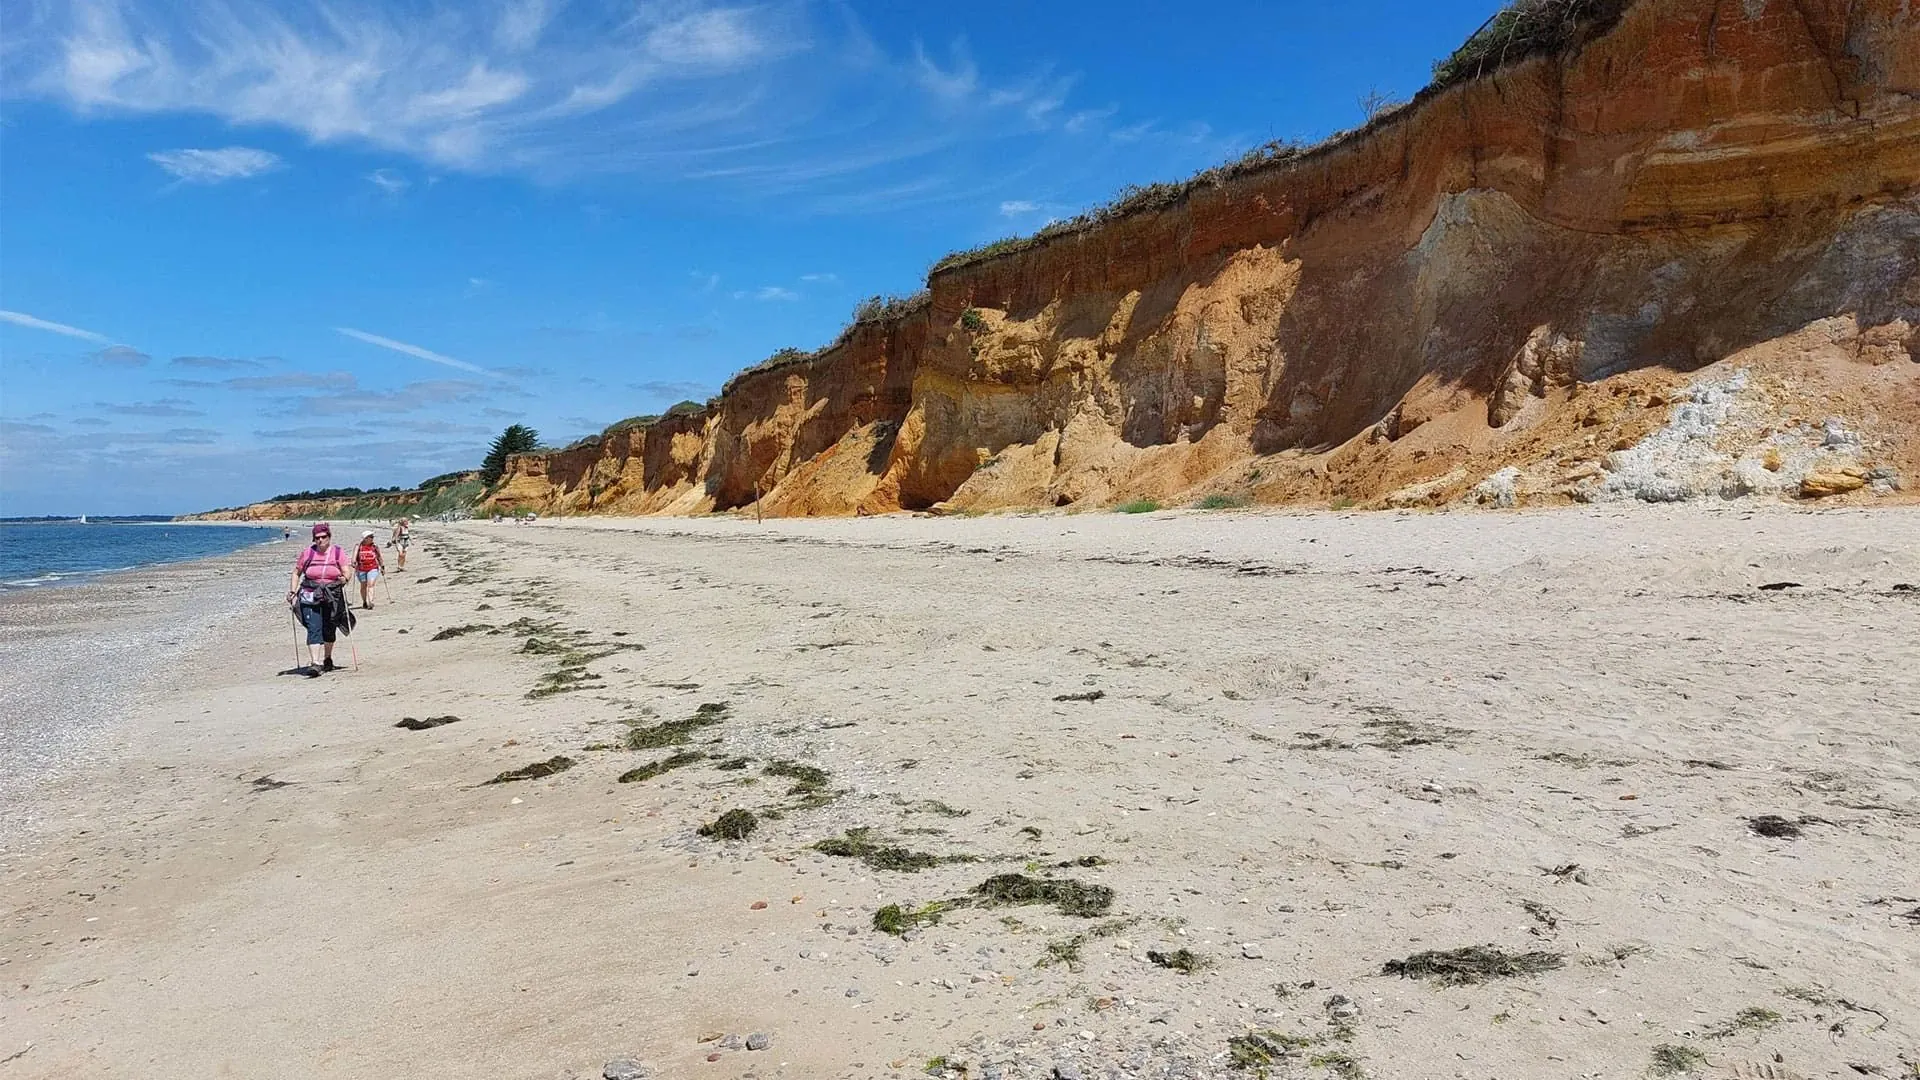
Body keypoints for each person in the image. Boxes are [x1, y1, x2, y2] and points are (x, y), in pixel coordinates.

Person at [286, 523, 352, 677]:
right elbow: (296, 573)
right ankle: (315, 663)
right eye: (317, 538)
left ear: (329, 537)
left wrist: (344, 578)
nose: (320, 540)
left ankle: (327, 658)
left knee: (329, 627)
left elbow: (346, 571)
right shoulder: (307, 553)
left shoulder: (338, 552)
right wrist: (292, 591)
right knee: (313, 627)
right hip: (310, 594)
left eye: (323, 537)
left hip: (332, 594)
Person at [353, 529, 386, 610]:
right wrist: (353, 562)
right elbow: (354, 557)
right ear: (365, 538)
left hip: (373, 568)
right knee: (363, 586)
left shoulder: (374, 546)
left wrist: (382, 566)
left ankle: (370, 601)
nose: (372, 538)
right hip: (361, 569)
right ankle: (364, 601)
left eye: (372, 537)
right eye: (370, 537)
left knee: (370, 584)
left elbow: (379, 557)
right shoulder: (358, 546)